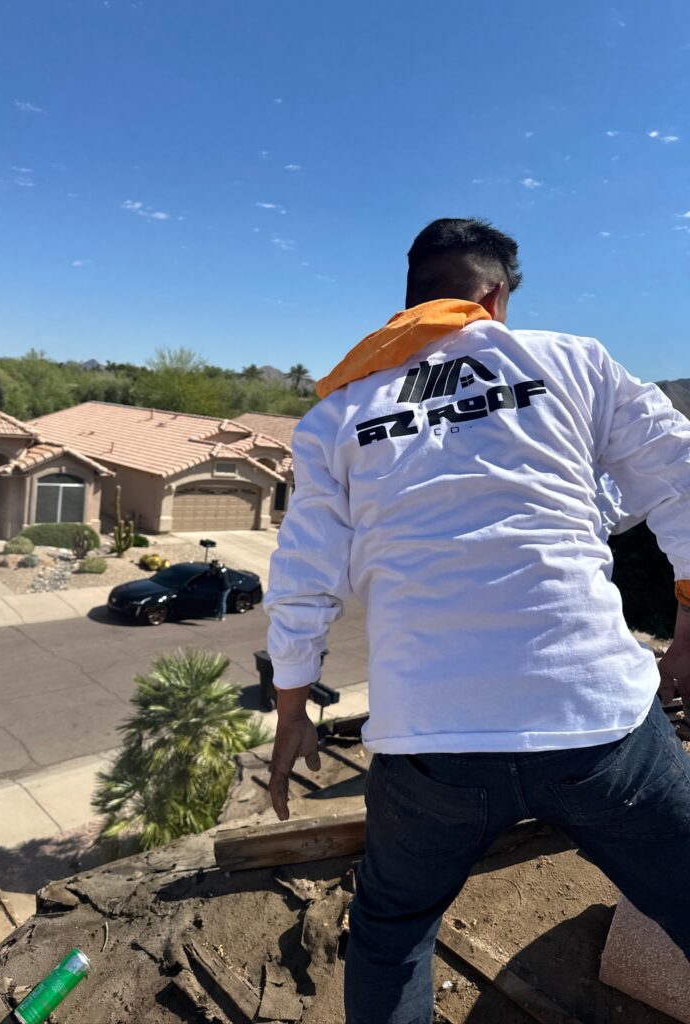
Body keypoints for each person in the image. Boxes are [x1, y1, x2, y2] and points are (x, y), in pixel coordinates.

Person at [263, 217, 690, 1024]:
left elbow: (304, 571)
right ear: (494, 298)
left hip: (430, 747)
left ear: (410, 302)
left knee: (391, 937)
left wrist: (292, 710)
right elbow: (682, 479)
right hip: (596, 722)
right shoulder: (574, 362)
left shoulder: (338, 412)